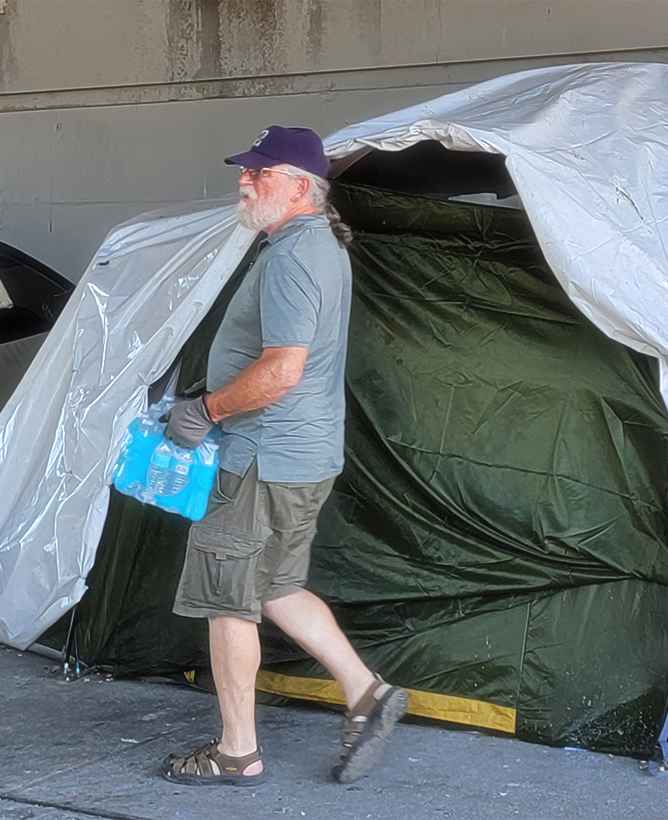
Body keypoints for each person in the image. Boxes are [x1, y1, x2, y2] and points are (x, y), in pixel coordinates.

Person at [160, 125, 405, 787]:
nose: (245, 181)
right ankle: (367, 692)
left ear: (301, 187)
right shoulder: (314, 245)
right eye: (247, 172)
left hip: (262, 461)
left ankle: (236, 751)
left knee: (229, 598)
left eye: (259, 174)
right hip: (303, 456)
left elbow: (282, 372)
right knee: (276, 587)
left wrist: (204, 411)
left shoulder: (295, 256)